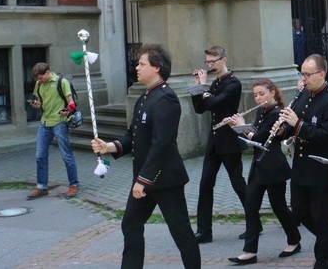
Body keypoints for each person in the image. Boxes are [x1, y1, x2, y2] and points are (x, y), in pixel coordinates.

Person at [91, 45, 200, 269]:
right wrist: (109, 147)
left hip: (165, 180)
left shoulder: (166, 98)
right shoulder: (145, 97)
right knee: (130, 225)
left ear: (157, 68)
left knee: (181, 232)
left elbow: (162, 144)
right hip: (144, 179)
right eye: (137, 64)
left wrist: (143, 180)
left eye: (142, 64)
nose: (137, 67)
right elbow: (134, 135)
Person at [272, 54, 328, 269]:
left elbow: (327, 136)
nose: (303, 79)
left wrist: (298, 124)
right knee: (300, 212)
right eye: (302, 74)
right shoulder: (304, 94)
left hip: (321, 166)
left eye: (307, 74)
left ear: (321, 74)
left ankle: (323, 261)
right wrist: (282, 129)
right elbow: (293, 125)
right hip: (302, 165)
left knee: (321, 217)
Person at [225, 79, 301, 265]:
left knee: (279, 207)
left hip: (274, 167)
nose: (258, 98)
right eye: (256, 95)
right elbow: (257, 136)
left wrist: (241, 126)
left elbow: (259, 137)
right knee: (251, 206)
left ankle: (294, 240)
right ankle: (250, 252)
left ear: (272, 93)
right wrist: (239, 128)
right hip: (259, 167)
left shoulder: (277, 113)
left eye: (261, 94)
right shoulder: (262, 111)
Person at [191, 46, 247, 243]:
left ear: (223, 60)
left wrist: (205, 87)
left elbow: (214, 104)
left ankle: (254, 223)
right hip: (214, 141)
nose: (209, 65)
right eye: (207, 62)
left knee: (238, 183)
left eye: (213, 61)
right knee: (205, 184)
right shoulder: (214, 84)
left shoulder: (233, 84)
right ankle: (204, 231)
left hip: (230, 141)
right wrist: (199, 87)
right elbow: (200, 108)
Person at [27, 63, 80, 200]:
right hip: (45, 122)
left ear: (47, 72)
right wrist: (36, 105)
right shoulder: (39, 84)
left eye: (41, 78)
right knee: (40, 155)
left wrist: (67, 111)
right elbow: (39, 101)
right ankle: (41, 187)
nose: (39, 81)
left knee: (66, 155)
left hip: (59, 123)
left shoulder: (61, 82)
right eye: (37, 79)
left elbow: (72, 104)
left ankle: (73, 185)